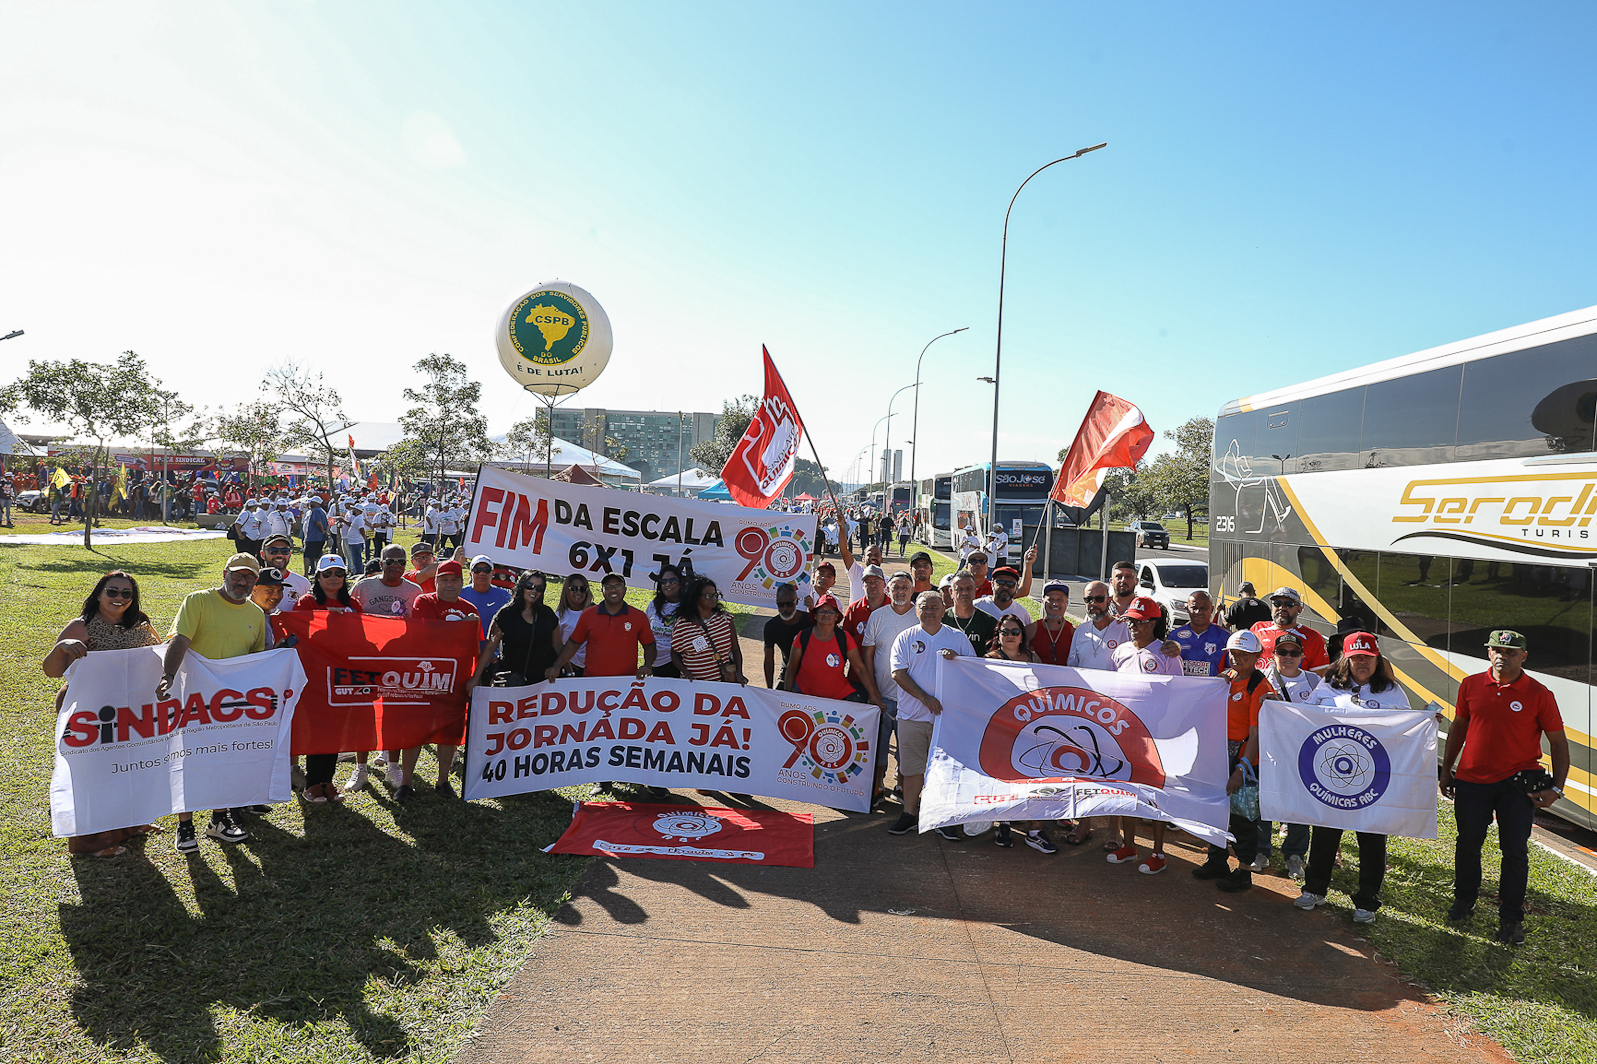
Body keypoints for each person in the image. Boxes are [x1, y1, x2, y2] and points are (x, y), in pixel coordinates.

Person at [1441, 630, 1569, 946]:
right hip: (1471, 782)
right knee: (1468, 843)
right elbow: (1459, 727)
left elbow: (1558, 743)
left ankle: (1511, 918)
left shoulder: (1540, 694)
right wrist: (1447, 770)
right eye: (1497, 650)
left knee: (1514, 852)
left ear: (1523, 656)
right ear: (1488, 653)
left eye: (1511, 652)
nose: (1503, 656)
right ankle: (1464, 899)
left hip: (1516, 785)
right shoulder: (1470, 685)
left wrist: (1557, 789)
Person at [42, 571, 165, 857]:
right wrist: (61, 648)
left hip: (131, 711)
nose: (119, 598)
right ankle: (91, 843)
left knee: (131, 767)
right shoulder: (81, 627)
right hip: (89, 711)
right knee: (93, 774)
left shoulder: (141, 625)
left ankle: (130, 825)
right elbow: (51, 671)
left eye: (126, 593)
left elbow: (157, 656)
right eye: (112, 591)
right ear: (99, 594)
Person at [1294, 633, 1410, 922]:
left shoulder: (1392, 691)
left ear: (1377, 659)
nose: (1362, 663)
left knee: (1371, 839)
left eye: (1367, 658)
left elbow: (1408, 728)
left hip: (1373, 780)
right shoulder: (1329, 686)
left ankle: (1367, 901)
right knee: (1324, 833)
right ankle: (1315, 889)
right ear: (1346, 659)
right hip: (1332, 775)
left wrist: (1426, 723)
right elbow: (1308, 720)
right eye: (1356, 657)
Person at [156, 554, 271, 850]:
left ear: (255, 582)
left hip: (232, 704)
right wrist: (168, 675)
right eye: (237, 575)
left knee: (226, 759)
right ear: (224, 574)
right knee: (189, 761)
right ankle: (185, 827)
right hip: (194, 699)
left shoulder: (256, 614)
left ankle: (219, 820)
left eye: (249, 578)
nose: (242, 582)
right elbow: (179, 639)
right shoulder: (198, 601)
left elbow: (255, 659)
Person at [1191, 629, 1275, 893]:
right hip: (1218, 754)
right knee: (1215, 809)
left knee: (1242, 818)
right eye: (1233, 654)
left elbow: (1256, 733)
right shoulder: (1225, 678)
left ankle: (1244, 871)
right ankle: (1217, 861)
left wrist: (1241, 770)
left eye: (1244, 655)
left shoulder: (1259, 687)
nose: (1237, 659)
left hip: (1243, 758)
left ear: (1257, 656)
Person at [1108, 597, 1183, 873]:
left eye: (1139, 622)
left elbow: (1178, 694)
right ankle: (1129, 845)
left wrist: (1167, 730)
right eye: (1130, 621)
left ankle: (1159, 853)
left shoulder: (1167, 654)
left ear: (1152, 623)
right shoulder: (1121, 651)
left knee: (1155, 793)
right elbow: (1110, 689)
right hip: (1125, 734)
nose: (1133, 627)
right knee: (1128, 789)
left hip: (1157, 736)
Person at [886, 591, 970, 835]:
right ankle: (910, 814)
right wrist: (925, 698)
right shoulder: (905, 638)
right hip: (911, 717)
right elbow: (898, 673)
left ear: (944, 610)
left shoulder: (957, 638)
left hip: (946, 719)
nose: (930, 611)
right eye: (924, 606)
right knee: (912, 770)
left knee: (944, 771)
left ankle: (942, 819)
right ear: (916, 610)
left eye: (935, 606)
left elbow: (973, 672)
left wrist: (958, 660)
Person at [403, 560, 479, 800]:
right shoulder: (424, 601)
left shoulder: (470, 608)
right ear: (435, 582)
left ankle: (443, 780)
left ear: (461, 582)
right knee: (416, 730)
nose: (449, 585)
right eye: (443, 579)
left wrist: (473, 678)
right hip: (425, 677)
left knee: (449, 732)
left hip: (456, 679)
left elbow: (474, 646)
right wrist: (460, 628)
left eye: (454, 580)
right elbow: (427, 635)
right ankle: (406, 782)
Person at [986, 615, 1060, 854]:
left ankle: (1035, 830)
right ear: (998, 635)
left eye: (1015, 631)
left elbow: (1045, 688)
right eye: (1005, 631)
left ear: (1022, 635)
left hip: (1030, 728)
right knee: (1004, 777)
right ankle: (1004, 823)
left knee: (1034, 777)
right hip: (1001, 728)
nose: (1010, 636)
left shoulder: (1033, 658)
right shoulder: (988, 661)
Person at [1256, 631, 1319, 878]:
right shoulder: (1262, 679)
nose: (1288, 657)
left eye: (1294, 652)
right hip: (1269, 753)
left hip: (1303, 756)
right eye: (1282, 652)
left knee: (1299, 805)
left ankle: (1294, 855)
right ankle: (1261, 850)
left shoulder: (1314, 682)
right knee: (1265, 802)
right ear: (1274, 655)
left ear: (1303, 656)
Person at [862, 572, 919, 806]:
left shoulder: (921, 616)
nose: (900, 591)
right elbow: (868, 656)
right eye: (896, 587)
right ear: (888, 590)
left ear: (912, 589)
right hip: (882, 697)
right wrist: (873, 692)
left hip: (913, 700)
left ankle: (902, 786)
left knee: (906, 750)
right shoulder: (877, 617)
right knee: (879, 747)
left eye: (905, 587)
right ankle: (877, 787)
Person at [548, 572, 654, 682]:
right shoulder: (588, 615)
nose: (613, 590)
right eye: (608, 587)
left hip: (626, 682)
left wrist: (648, 665)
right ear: (602, 591)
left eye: (618, 586)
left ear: (625, 589)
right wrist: (558, 665)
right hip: (593, 682)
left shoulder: (639, 616)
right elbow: (573, 644)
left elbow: (650, 645)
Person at [783, 594, 881, 710]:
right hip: (805, 698)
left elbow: (859, 668)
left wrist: (874, 695)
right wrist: (786, 697)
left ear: (836, 617)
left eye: (831, 612)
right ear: (814, 615)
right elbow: (791, 668)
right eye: (822, 611)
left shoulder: (844, 638)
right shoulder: (803, 636)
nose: (826, 615)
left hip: (837, 700)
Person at [470, 569, 563, 690]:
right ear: (521, 586)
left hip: (543, 682)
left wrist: (565, 670)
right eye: (530, 586)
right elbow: (490, 647)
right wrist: (476, 677)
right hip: (512, 681)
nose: (534, 591)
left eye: (539, 588)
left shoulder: (547, 614)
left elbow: (558, 646)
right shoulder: (506, 614)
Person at [672, 575, 746, 685]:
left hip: (723, 683)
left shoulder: (726, 619)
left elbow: (735, 649)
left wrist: (739, 673)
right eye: (708, 596)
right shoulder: (682, 624)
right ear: (695, 598)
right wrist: (685, 671)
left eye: (715, 595)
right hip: (695, 685)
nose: (713, 598)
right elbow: (674, 653)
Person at [1250, 587, 1330, 671]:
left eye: (1288, 605)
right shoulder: (1257, 628)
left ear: (1299, 610)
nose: (1282, 608)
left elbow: (1319, 676)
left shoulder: (1313, 638)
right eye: (1277, 604)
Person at [763, 582, 813, 689]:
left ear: (797, 602)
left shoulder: (810, 622)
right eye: (781, 605)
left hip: (811, 672)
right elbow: (768, 660)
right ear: (776, 603)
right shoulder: (771, 626)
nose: (785, 608)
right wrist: (769, 689)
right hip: (787, 670)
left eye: (790, 604)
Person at [1169, 590, 1228, 677]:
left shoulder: (1225, 637)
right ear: (1187, 609)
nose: (1198, 612)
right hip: (1182, 689)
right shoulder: (1174, 636)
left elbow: (1232, 669)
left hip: (1212, 689)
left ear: (1212, 609)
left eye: (1203, 608)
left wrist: (1225, 675)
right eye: (1194, 608)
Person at [459, 555, 513, 644]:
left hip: (494, 655)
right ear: (470, 574)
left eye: (486, 570)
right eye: (477, 570)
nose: (482, 573)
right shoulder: (460, 594)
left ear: (493, 573)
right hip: (464, 652)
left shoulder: (504, 596)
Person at [645, 565, 685, 679]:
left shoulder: (688, 606)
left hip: (678, 664)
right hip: (655, 664)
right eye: (663, 581)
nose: (668, 585)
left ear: (680, 582)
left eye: (672, 581)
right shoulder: (653, 605)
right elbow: (646, 632)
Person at [944, 571, 997, 657]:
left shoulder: (989, 622)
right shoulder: (942, 619)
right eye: (959, 589)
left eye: (969, 588)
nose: (965, 592)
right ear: (951, 592)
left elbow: (996, 653)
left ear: (975, 590)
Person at [1025, 581, 1074, 666]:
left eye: (1060, 600)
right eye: (1050, 600)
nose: (1055, 604)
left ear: (1067, 603)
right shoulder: (1031, 630)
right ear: (1043, 602)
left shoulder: (1075, 631)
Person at [554, 573, 594, 676]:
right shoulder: (559, 617)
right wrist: (568, 664)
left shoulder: (594, 613)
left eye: (583, 589)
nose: (578, 592)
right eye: (574, 589)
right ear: (566, 591)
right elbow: (557, 646)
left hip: (593, 668)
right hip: (569, 669)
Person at [296, 555, 361, 612]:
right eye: (327, 574)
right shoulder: (306, 602)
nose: (333, 577)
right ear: (318, 577)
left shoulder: (354, 603)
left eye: (339, 573)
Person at [842, 563, 887, 645]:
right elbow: (846, 639)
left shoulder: (893, 607)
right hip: (859, 657)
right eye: (868, 582)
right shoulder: (854, 609)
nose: (873, 585)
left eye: (876, 581)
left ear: (884, 584)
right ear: (863, 586)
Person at [259, 533, 311, 602]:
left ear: (290, 554)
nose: (279, 554)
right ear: (262, 554)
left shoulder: (303, 583)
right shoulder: (253, 582)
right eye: (273, 550)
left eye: (285, 551)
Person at [302, 496, 330, 577]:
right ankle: (318, 573)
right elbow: (327, 525)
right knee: (317, 556)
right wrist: (325, 533)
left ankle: (306, 574)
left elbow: (318, 523)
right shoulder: (323, 512)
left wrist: (323, 531)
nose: (310, 504)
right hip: (320, 538)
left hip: (313, 537)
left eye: (312, 502)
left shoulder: (316, 511)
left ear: (317, 503)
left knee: (307, 555)